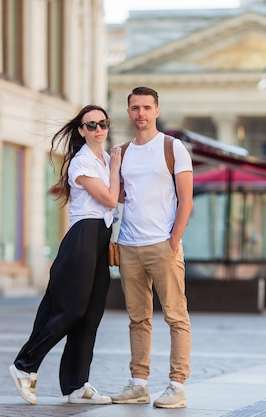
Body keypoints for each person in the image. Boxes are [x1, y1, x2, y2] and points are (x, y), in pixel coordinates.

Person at [9, 105, 121, 405]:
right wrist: (115, 169)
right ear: (82, 131)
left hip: (100, 239)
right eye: (92, 124)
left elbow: (120, 195)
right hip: (82, 238)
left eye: (103, 123)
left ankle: (75, 384)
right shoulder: (82, 162)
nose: (99, 129)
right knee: (69, 310)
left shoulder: (105, 158)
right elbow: (110, 198)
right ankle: (24, 365)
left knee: (91, 314)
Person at [110, 86, 194, 409]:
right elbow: (117, 197)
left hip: (163, 245)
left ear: (157, 111)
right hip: (129, 245)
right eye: (135, 108)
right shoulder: (122, 153)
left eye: (146, 107)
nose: (140, 113)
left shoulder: (173, 148)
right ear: (128, 112)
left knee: (176, 316)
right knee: (138, 318)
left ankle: (176, 385)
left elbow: (185, 200)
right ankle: (139, 383)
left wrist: (173, 239)